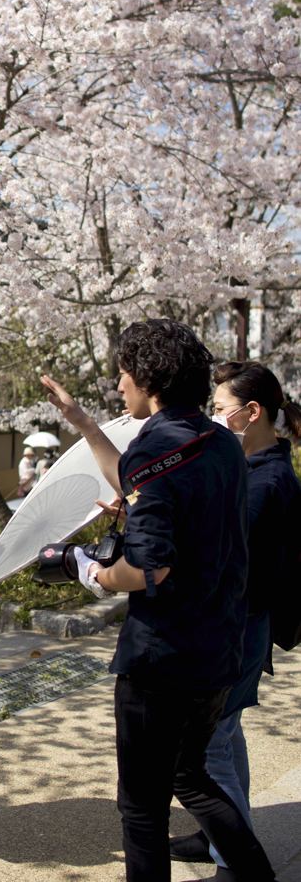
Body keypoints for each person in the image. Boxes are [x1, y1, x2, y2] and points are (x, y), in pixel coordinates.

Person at [41, 319, 277, 882]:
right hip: (218, 646)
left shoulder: (156, 449)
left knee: (141, 809)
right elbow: (141, 485)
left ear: (148, 379)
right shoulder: (218, 439)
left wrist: (87, 569)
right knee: (191, 776)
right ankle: (258, 874)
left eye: (124, 375)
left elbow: (147, 567)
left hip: (163, 657)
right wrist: (81, 422)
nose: (119, 385)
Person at [171, 361, 301, 875]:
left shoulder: (264, 485)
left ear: (252, 413)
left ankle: (231, 854)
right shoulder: (259, 470)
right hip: (245, 627)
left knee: (207, 750)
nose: (213, 419)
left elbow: (219, 559)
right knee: (226, 736)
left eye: (220, 410)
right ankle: (219, 835)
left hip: (235, 630)